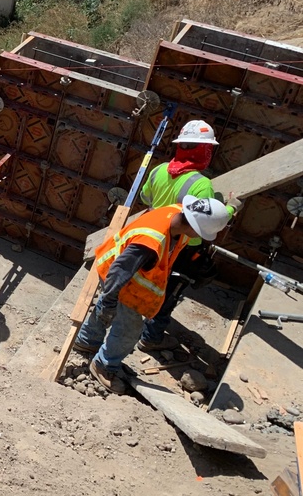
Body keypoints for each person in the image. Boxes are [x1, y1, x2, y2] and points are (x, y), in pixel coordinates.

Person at [75, 196, 232, 394]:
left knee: (108, 314)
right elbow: (120, 271)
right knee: (129, 330)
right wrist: (108, 299)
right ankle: (103, 366)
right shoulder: (152, 241)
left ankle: (87, 341)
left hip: (119, 270)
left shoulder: (176, 213)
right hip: (120, 280)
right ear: (193, 228)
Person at [136, 119, 238, 351]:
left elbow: (145, 198)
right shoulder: (202, 185)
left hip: (154, 237)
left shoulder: (158, 170)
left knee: (149, 280)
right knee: (169, 291)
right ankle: (150, 338)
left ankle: (136, 316)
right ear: (205, 151)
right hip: (183, 247)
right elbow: (211, 222)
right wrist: (231, 208)